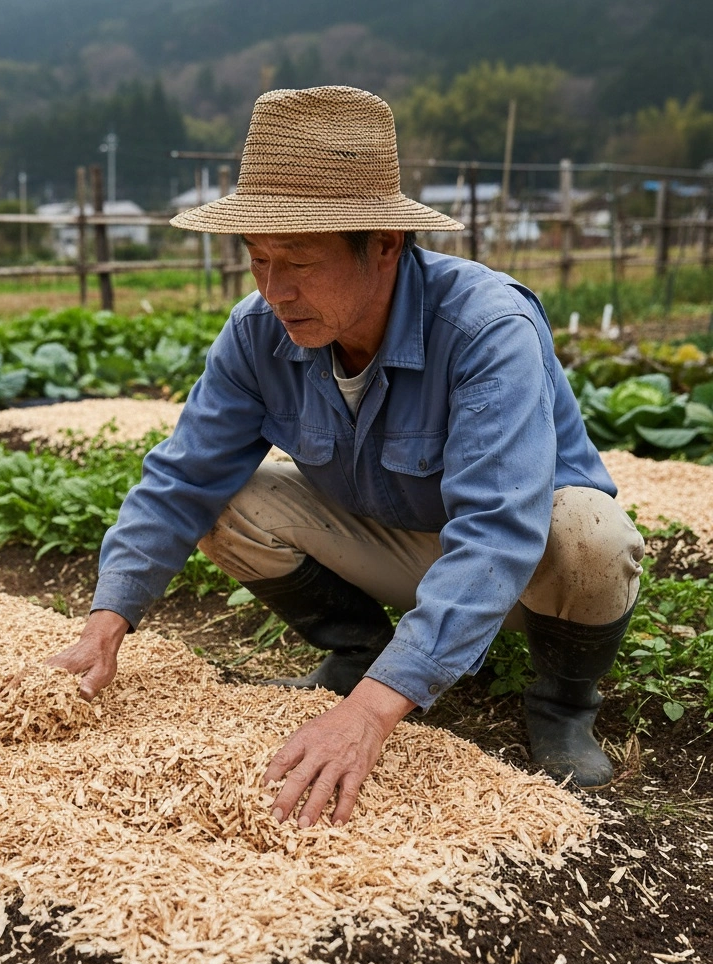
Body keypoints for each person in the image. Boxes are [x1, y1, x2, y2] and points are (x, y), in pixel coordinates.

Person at [50, 86, 644, 829]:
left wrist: (366, 719)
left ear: (385, 243)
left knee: (593, 529)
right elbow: (182, 478)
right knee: (228, 501)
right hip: (396, 542)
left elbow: (497, 531)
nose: (276, 290)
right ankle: (358, 653)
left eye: (298, 260)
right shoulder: (257, 331)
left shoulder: (486, 328)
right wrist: (106, 622)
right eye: (259, 260)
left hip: (530, 572)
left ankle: (561, 703)